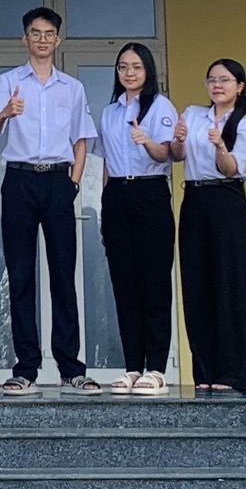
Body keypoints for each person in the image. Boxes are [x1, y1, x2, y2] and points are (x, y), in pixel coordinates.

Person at [0, 5, 100, 394]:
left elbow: (82, 140)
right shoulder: (9, 81)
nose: (42, 40)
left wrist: (74, 183)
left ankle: (71, 366)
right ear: (25, 39)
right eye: (35, 33)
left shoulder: (72, 87)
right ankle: (26, 367)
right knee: (19, 275)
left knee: (63, 275)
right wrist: (6, 112)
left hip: (57, 183)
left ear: (58, 39)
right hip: (18, 181)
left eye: (49, 34)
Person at [97, 41, 178, 394]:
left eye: (136, 67)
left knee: (154, 281)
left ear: (148, 71)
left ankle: (157, 367)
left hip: (150, 192)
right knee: (125, 283)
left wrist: (146, 141)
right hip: (118, 194)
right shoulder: (109, 112)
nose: (129, 73)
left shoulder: (161, 107)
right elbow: (105, 164)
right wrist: (104, 208)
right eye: (123, 67)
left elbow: (167, 155)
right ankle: (132, 366)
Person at [177, 58, 246, 396]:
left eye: (225, 80)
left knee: (231, 286)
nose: (217, 85)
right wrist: (179, 139)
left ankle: (234, 373)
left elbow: (231, 168)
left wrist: (220, 145)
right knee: (197, 286)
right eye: (212, 79)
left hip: (226, 200)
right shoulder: (193, 114)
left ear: (240, 86)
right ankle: (205, 371)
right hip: (194, 199)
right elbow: (177, 155)